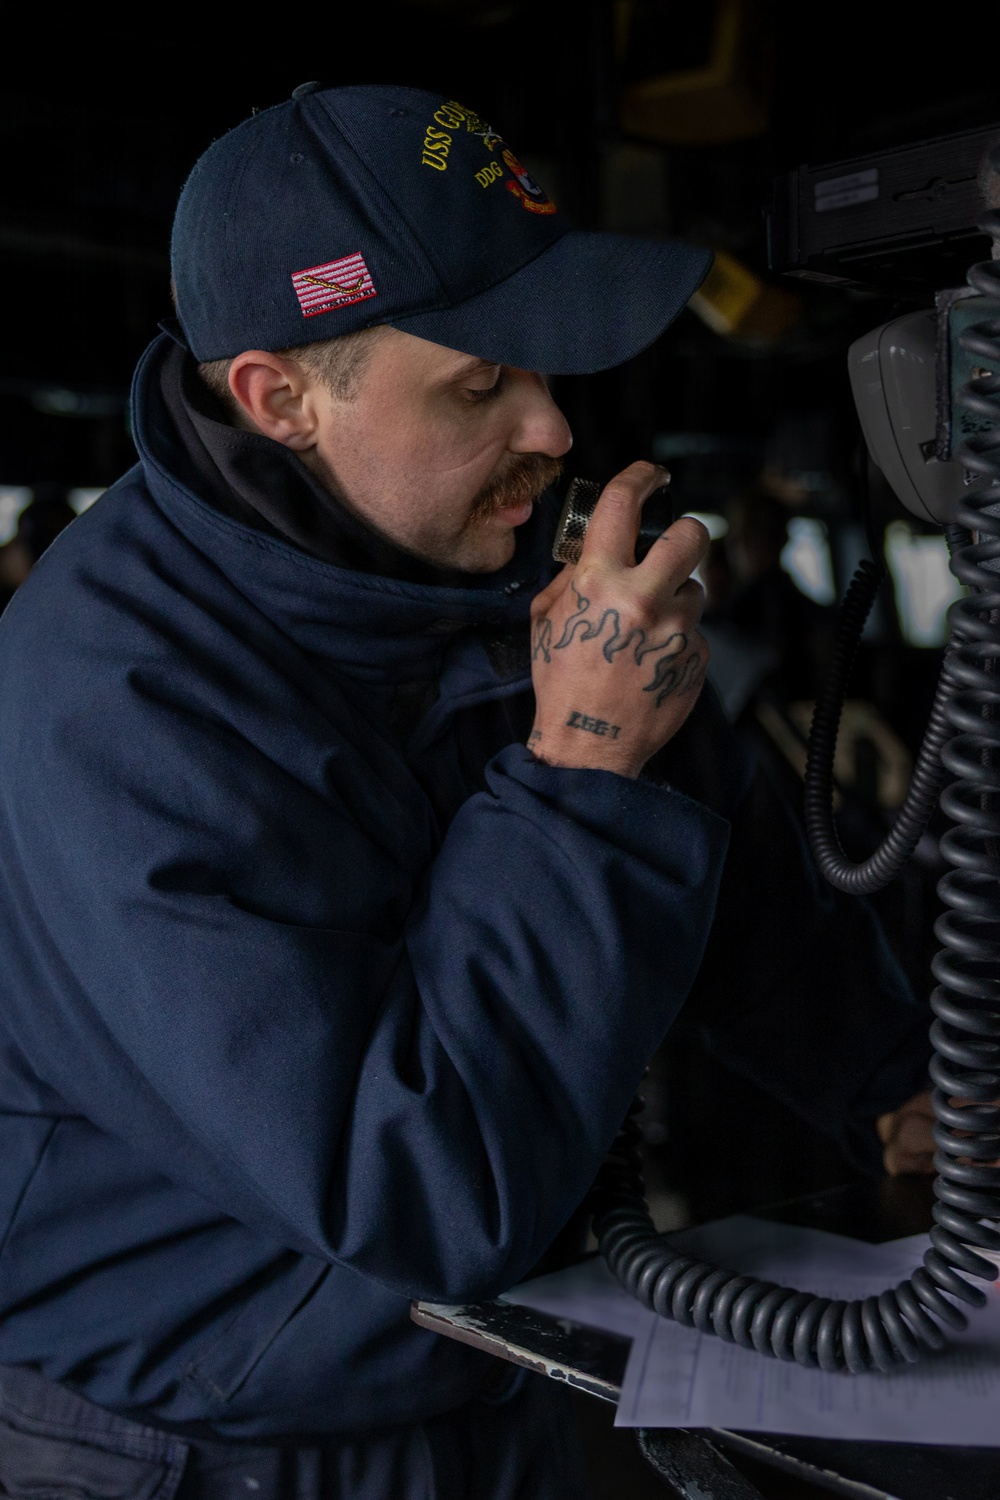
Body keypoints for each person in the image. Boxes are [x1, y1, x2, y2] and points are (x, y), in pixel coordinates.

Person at [0, 84, 933, 1499]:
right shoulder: (114, 702)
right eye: (481, 383)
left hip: (493, 1368)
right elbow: (412, 1184)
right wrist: (578, 772)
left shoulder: (479, 565)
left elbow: (733, 870)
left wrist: (896, 1083)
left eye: (545, 368)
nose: (555, 426)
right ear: (282, 397)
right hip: (199, 1442)